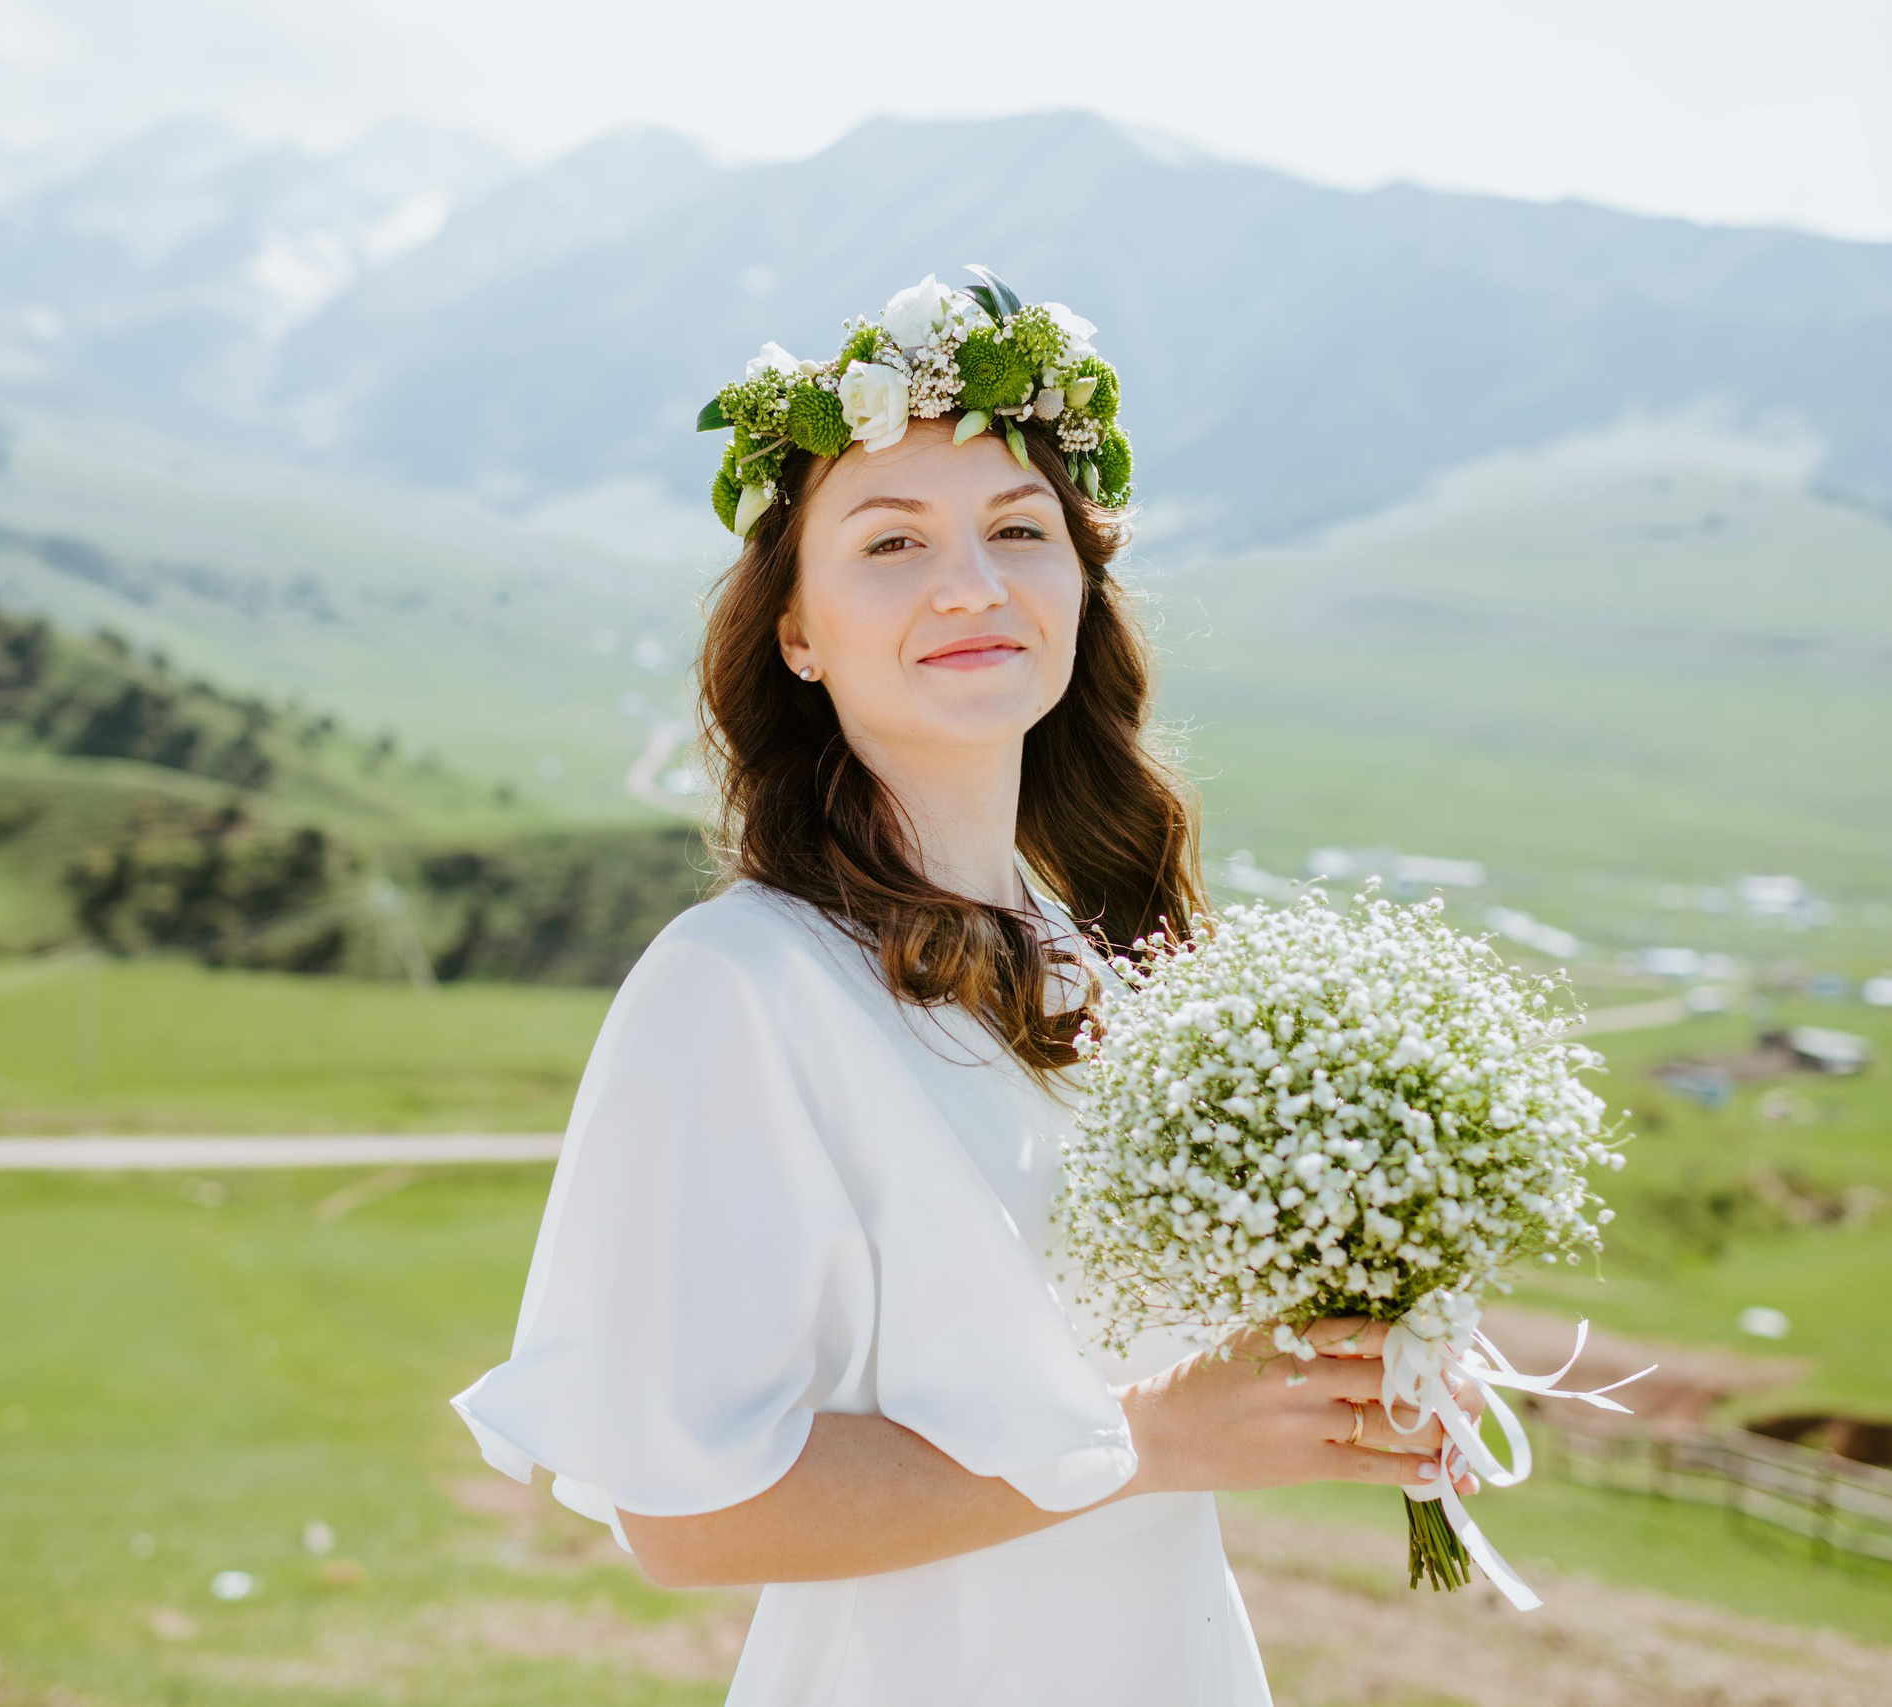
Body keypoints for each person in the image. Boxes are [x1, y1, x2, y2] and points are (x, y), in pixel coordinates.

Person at [452, 268, 1476, 1706]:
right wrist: (1154, 1443)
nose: (971, 585)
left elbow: (1110, 1371)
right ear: (797, 632)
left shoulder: (1104, 962)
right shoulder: (739, 990)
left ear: (1080, 583)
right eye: (890, 543)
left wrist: (1351, 1371)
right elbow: (688, 1519)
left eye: (1017, 529)